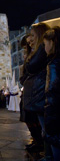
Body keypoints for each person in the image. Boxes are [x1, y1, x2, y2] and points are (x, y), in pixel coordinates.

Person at [24, 23, 51, 159]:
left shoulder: (41, 50)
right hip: (38, 93)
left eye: (33, 36)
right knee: (44, 125)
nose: (30, 40)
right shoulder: (39, 49)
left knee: (46, 126)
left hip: (41, 93)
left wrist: (28, 61)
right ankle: (46, 151)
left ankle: (48, 153)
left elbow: (31, 66)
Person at [43, 26, 60, 160]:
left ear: (52, 43)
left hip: (55, 113)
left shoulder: (54, 63)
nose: (44, 48)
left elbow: (52, 91)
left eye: (45, 44)